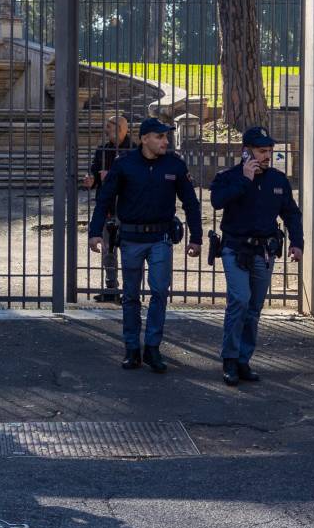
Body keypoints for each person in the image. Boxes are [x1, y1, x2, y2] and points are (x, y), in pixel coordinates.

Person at [88, 117, 201, 373]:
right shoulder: (124, 164)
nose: (165, 141)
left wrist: (196, 237)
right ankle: (131, 349)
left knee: (159, 292)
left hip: (161, 238)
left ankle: (152, 348)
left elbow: (191, 203)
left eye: (166, 136)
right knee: (130, 296)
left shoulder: (174, 164)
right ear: (144, 139)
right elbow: (105, 199)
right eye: (160, 137)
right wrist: (95, 232)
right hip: (131, 239)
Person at [209, 126, 302, 386]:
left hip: (264, 252)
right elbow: (217, 201)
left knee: (253, 308)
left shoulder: (277, 180)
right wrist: (245, 180)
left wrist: (297, 243)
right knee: (239, 300)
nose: (267, 156)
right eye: (261, 151)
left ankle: (243, 359)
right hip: (235, 249)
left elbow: (291, 213)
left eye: (269, 151)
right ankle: (229, 359)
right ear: (246, 152)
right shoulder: (229, 176)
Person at [83, 115, 132, 303]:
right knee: (107, 249)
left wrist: (110, 175)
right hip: (107, 206)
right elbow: (95, 173)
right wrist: (92, 180)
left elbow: (136, 178)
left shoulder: (134, 150)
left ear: (121, 129)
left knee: (129, 250)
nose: (106, 131)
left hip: (128, 207)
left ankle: (130, 290)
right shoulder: (102, 150)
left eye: (109, 128)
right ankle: (111, 288)